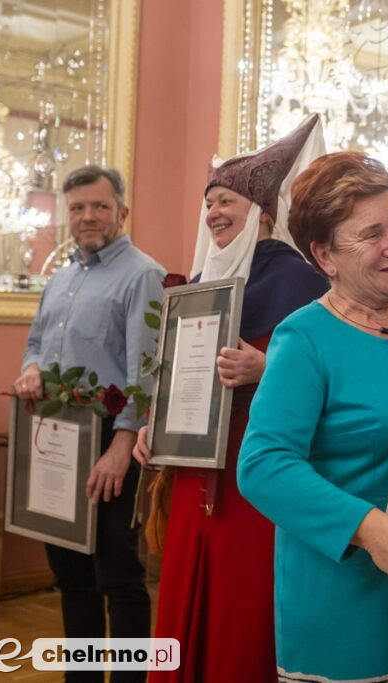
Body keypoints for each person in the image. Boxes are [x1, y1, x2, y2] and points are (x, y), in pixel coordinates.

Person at [237, 151, 388, 682]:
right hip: (347, 607)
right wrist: (371, 530)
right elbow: (262, 465)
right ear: (325, 256)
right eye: (371, 235)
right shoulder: (304, 338)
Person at [132, 114, 329, 683]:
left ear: (264, 214)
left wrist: (267, 366)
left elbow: (325, 374)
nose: (215, 213)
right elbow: (179, 379)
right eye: (210, 203)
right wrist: (155, 428)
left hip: (255, 480)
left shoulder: (300, 281)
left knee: (242, 622)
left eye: (228, 202)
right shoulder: (200, 287)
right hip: (196, 477)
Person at [13, 165, 163, 683]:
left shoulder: (143, 274)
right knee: (71, 575)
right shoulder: (59, 278)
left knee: (117, 577)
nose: (88, 216)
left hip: (109, 441)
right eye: (77, 208)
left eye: (99, 206)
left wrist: (122, 445)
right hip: (58, 438)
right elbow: (35, 345)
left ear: (121, 211)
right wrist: (30, 368)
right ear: (67, 215)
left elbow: (148, 367)